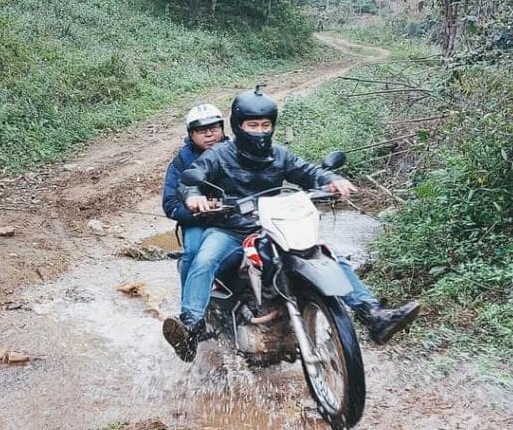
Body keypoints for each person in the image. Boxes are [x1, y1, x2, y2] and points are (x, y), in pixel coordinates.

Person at [162, 86, 420, 361]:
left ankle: (372, 314)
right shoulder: (219, 155)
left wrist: (329, 180)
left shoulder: (279, 155)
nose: (259, 132)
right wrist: (194, 197)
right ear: (239, 125)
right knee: (204, 259)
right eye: (253, 125)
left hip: (274, 226)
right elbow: (194, 176)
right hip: (231, 229)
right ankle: (191, 325)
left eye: (265, 125)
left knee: (324, 254)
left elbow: (307, 171)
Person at [162, 103, 227, 287]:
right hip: (198, 222)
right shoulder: (181, 162)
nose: (209, 135)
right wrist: (196, 210)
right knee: (193, 252)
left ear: (222, 128)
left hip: (237, 218)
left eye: (214, 128)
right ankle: (189, 308)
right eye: (201, 130)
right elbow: (170, 204)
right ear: (191, 134)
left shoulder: (237, 152)